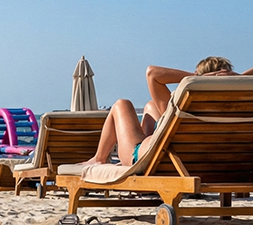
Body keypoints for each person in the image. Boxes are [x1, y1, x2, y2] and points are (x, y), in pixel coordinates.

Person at [82, 57, 247, 167]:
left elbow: (152, 73)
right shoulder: (239, 111)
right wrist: (238, 78)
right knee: (150, 105)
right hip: (207, 161)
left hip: (152, 160)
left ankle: (99, 159)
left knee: (121, 105)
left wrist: (196, 78)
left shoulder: (188, 108)